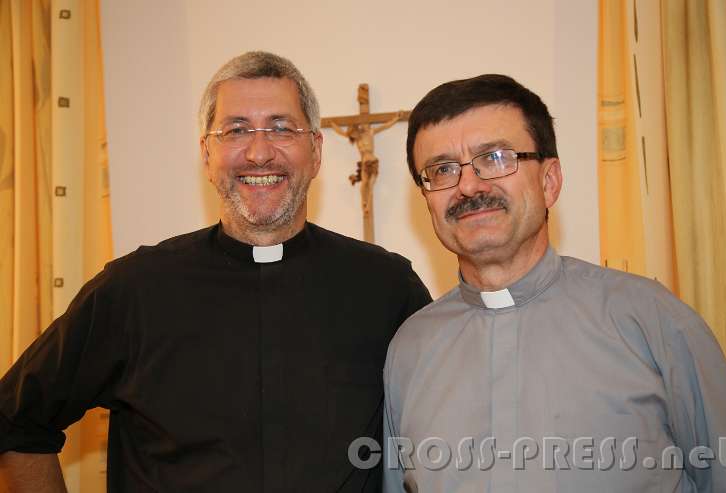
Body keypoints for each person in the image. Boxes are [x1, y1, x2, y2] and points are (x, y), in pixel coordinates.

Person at [0, 51, 431, 492]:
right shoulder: (135, 290)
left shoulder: (385, 287)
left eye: (282, 128)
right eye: (236, 130)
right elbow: (16, 419)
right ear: (207, 154)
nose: (259, 152)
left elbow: (446, 430)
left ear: (316, 151)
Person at [383, 74, 726, 492]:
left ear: (549, 181)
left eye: (495, 158)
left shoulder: (650, 319)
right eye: (442, 169)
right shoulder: (410, 350)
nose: (468, 185)